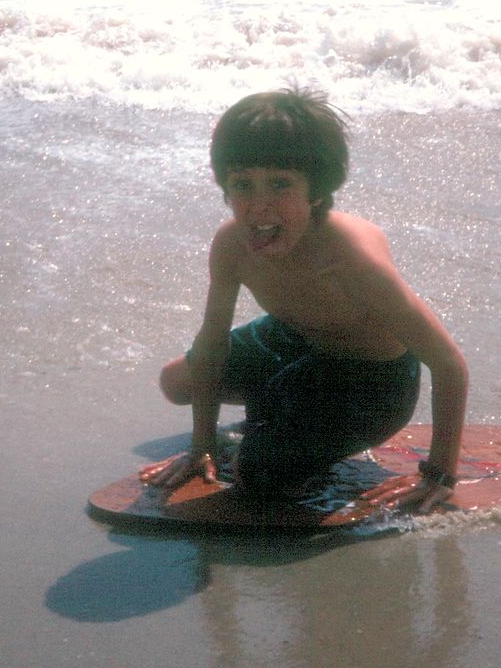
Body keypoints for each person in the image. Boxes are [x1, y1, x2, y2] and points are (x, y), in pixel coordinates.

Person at [138, 89, 469, 513]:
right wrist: (201, 446)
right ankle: (277, 408)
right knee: (176, 382)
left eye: (280, 184)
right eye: (243, 184)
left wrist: (439, 474)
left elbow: (447, 362)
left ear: (316, 189)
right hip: (292, 340)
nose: (259, 205)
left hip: (371, 378)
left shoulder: (349, 258)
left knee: (259, 476)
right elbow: (212, 346)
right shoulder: (231, 245)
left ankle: (278, 417)